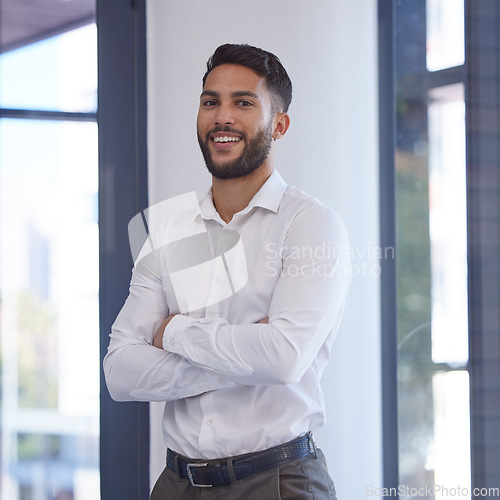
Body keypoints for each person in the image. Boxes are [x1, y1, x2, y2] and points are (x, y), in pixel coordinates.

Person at [104, 43, 351, 499]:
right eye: (210, 102)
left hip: (279, 482)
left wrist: (175, 332)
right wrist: (245, 354)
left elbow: (283, 358)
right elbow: (120, 373)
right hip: (177, 484)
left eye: (243, 102)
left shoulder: (311, 224)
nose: (223, 116)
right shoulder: (168, 229)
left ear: (279, 125)